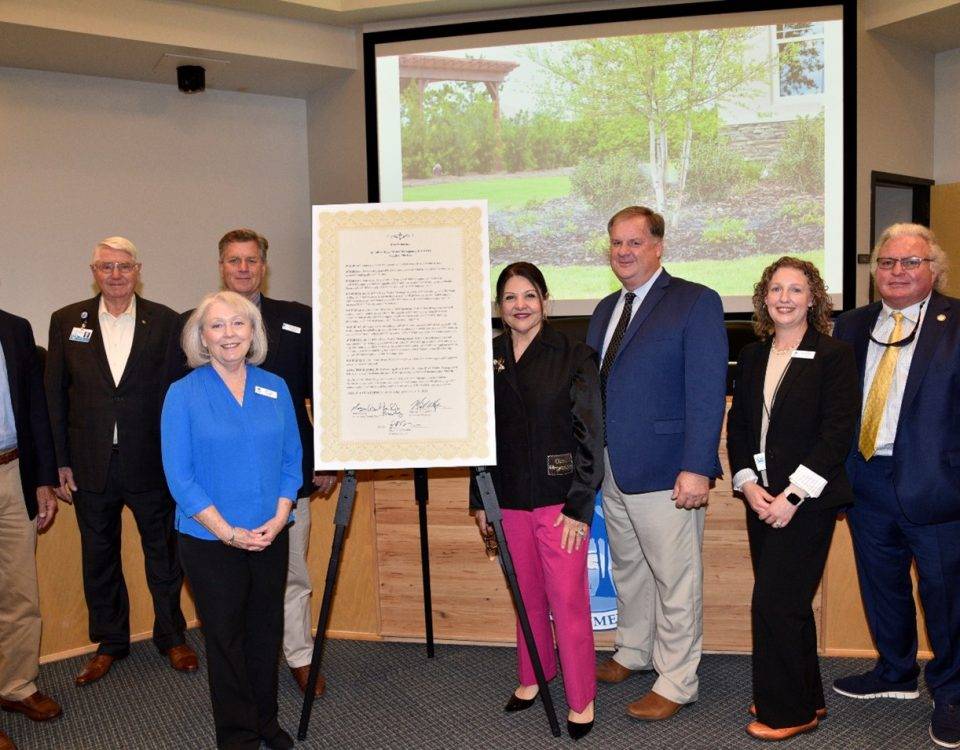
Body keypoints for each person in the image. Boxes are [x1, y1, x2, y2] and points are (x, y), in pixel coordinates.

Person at [164, 228, 335, 696]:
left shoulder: (297, 319)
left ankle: (298, 656)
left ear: (264, 266)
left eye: (252, 260)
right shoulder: (195, 325)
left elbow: (323, 394)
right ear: (221, 265)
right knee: (230, 612)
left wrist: (327, 459)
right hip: (216, 497)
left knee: (293, 575)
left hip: (284, 483)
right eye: (234, 260)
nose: (243, 267)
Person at [586, 206, 727, 720]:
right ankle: (633, 650)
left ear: (658, 245)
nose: (624, 252)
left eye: (635, 242)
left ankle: (676, 679)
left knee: (675, 578)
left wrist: (697, 465)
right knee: (628, 568)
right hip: (614, 469)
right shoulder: (604, 309)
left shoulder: (695, 301)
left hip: (670, 471)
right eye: (616, 243)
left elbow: (708, 392)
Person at [44, 236, 195, 686]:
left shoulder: (166, 322)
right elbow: (55, 394)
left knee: (164, 556)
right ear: (94, 271)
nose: (115, 274)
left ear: (138, 270)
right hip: (90, 465)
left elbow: (179, 396)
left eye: (124, 266)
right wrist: (59, 460)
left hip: (151, 462)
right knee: (99, 556)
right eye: (106, 266)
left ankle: (172, 636)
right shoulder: (67, 320)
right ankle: (110, 642)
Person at [832, 224, 960, 749]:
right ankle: (895, 671)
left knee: (945, 595)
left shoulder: (957, 323)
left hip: (937, 484)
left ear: (934, 269)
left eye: (910, 262)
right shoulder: (850, 325)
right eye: (887, 263)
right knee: (881, 584)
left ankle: (952, 693)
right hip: (865, 478)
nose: (897, 272)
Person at [162, 291, 302, 750]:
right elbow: (179, 477)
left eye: (238, 324)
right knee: (226, 641)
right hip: (209, 541)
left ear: (253, 331)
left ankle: (267, 724)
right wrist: (227, 533)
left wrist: (280, 518)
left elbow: (291, 462)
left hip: (269, 534)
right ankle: (238, 736)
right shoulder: (182, 394)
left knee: (266, 635)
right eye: (217, 326)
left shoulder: (275, 387)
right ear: (201, 337)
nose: (229, 334)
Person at [726, 257, 858, 741]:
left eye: (796, 289)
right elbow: (740, 425)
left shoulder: (834, 355)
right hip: (760, 498)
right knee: (792, 605)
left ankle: (786, 713)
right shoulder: (755, 354)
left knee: (775, 605)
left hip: (805, 503)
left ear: (813, 299)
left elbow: (836, 433)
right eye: (775, 289)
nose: (784, 297)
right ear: (764, 298)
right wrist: (746, 484)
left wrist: (793, 496)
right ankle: (806, 698)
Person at [471, 262, 603, 740]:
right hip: (506, 498)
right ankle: (534, 674)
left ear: (545, 300)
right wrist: (480, 496)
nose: (520, 305)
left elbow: (591, 436)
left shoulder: (575, 355)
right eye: (510, 297)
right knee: (524, 596)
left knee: (567, 601)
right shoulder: (488, 357)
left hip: (559, 501)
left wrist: (579, 505)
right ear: (499, 307)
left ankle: (581, 697)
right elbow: (478, 436)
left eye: (529, 295)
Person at [0, 310, 62, 750]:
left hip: (13, 472)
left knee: (20, 591)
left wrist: (42, 477)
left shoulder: (15, 328)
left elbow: (35, 410)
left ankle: (16, 685)